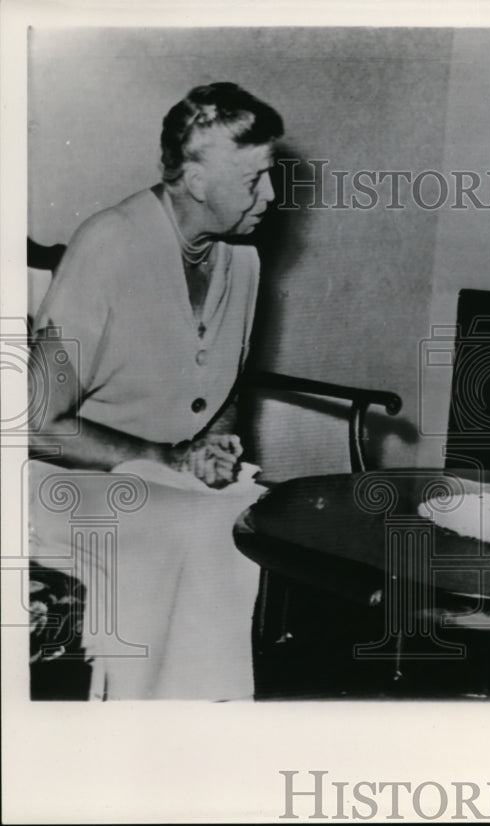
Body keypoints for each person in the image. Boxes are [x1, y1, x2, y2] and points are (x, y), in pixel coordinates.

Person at [28, 82, 284, 699]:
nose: (272, 196)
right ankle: (135, 732)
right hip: (60, 481)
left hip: (166, 482)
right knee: (195, 527)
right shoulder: (108, 245)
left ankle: (202, 734)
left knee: (250, 519)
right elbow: (39, 421)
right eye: (254, 179)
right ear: (196, 182)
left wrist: (215, 447)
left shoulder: (242, 261)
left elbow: (223, 387)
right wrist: (167, 458)